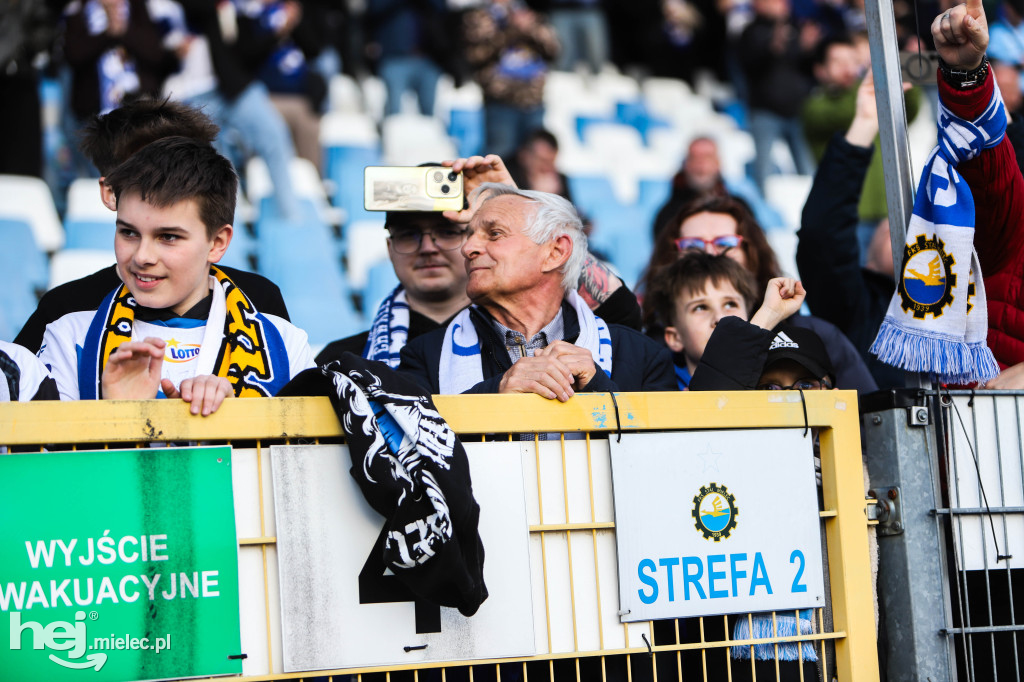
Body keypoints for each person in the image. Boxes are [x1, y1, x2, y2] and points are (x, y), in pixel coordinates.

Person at [37, 137, 314, 413]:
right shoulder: (68, 338)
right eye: (128, 232)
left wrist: (233, 424)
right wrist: (117, 417)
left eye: (168, 237)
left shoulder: (287, 344)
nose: (142, 256)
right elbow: (41, 456)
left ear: (217, 243)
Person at [14, 97, 290, 353]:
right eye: (145, 168)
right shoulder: (65, 311)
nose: (165, 178)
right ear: (110, 192)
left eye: (182, 161)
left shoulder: (258, 302)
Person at [315, 154, 644, 368]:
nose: (428, 247)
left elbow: (624, 314)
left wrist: (515, 202)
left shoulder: (528, 338)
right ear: (389, 248)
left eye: (447, 231)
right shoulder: (346, 360)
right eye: (408, 235)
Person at [399, 184, 676, 396]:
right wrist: (495, 394)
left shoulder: (643, 356)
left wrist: (596, 387)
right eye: (470, 234)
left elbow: (659, 463)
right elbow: (412, 456)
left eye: (494, 234)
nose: (467, 248)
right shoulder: (423, 356)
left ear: (555, 252)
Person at [641, 195, 879, 393]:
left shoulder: (813, 335)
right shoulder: (646, 354)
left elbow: (868, 425)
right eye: (693, 245)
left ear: (751, 253)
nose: (710, 254)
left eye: (725, 243)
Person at [797, 71, 905, 388]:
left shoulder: (966, 303)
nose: (903, 229)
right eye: (888, 231)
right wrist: (863, 126)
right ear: (866, 260)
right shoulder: (857, 306)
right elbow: (823, 237)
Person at [736, 0, 819, 193]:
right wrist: (773, 44)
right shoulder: (750, 32)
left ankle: (815, 211)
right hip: (764, 112)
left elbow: (808, 69)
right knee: (763, 170)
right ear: (758, 5)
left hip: (797, 111)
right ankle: (761, 213)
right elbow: (750, 64)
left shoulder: (796, 30)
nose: (781, 4)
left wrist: (809, 49)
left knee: (807, 168)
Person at [644, 251, 759, 389]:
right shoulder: (659, 395)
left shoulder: (774, 383)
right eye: (701, 307)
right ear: (675, 338)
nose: (720, 319)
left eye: (730, 304)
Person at [463, 0, 560, 159]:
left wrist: (531, 28)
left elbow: (554, 50)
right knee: (499, 157)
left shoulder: (528, 14)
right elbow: (476, 55)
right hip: (500, 102)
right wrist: (511, 30)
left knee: (534, 159)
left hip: (533, 102)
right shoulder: (480, 16)